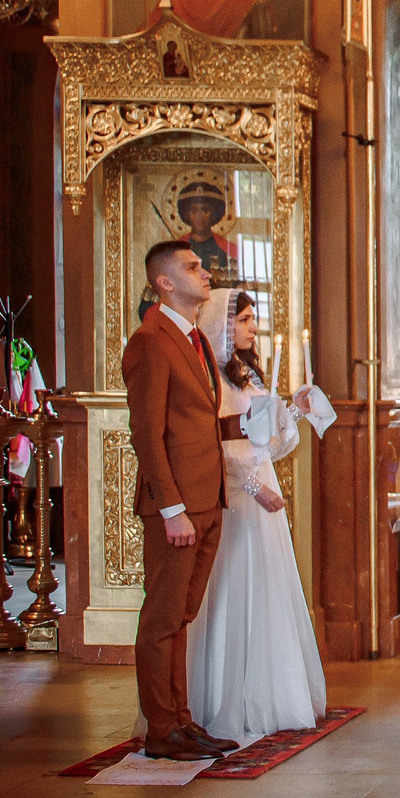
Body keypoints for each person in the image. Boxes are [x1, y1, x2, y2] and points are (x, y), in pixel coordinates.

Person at [187, 290, 327, 745]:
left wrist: (295, 411)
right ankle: (224, 696)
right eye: (244, 319)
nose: (252, 327)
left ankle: (268, 694)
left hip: (262, 484)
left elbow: (270, 444)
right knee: (233, 584)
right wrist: (252, 487)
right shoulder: (210, 379)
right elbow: (214, 448)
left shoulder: (247, 374)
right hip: (235, 492)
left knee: (267, 585)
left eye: (253, 319)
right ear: (222, 323)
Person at [122, 240, 237, 761]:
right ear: (165, 282)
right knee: (162, 619)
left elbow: (200, 421)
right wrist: (171, 509)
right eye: (193, 267)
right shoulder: (150, 342)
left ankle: (181, 721)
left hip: (207, 500)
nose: (205, 272)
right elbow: (146, 434)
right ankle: (161, 729)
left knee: (182, 615)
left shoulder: (193, 338)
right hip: (177, 508)